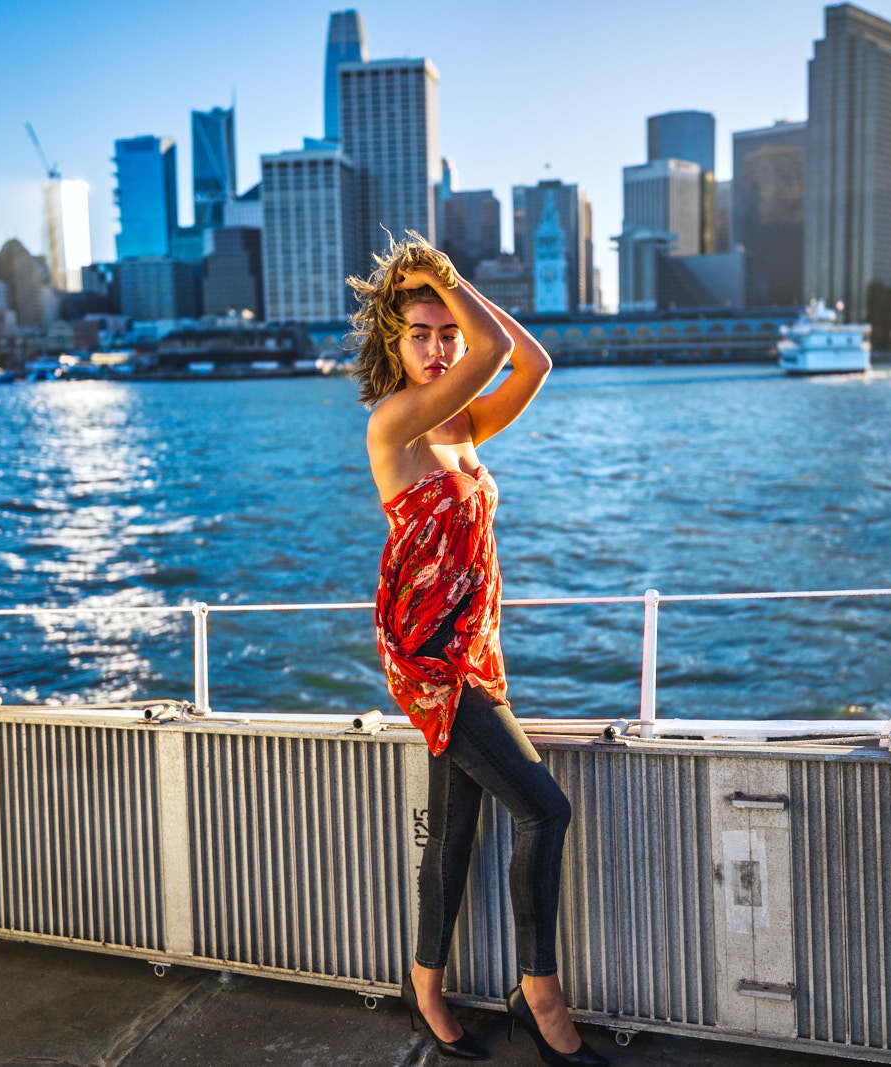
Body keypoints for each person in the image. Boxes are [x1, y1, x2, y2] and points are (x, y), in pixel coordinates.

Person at [352, 237, 606, 1067]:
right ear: (393, 341)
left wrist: (454, 291)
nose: (437, 349)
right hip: (428, 660)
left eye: (444, 334)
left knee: (454, 834)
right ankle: (541, 998)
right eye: (419, 333)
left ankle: (425, 986)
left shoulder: (461, 419)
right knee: (545, 810)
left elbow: (531, 361)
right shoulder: (396, 422)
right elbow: (496, 350)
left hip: (475, 652)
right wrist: (445, 283)